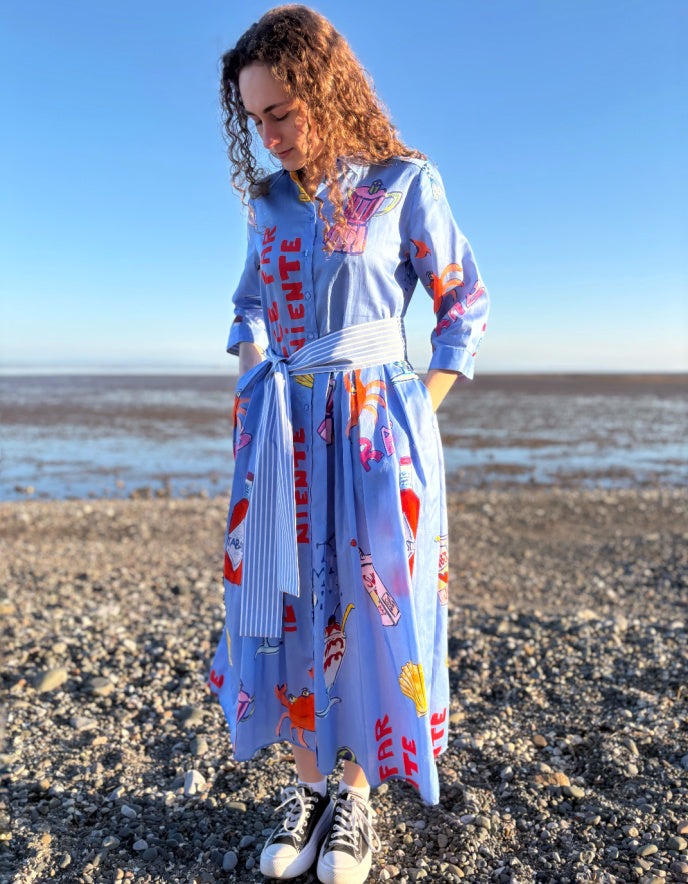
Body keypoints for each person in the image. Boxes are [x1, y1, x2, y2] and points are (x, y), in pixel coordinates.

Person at [208, 6, 489, 883]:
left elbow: (464, 307)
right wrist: (261, 376)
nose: (273, 134)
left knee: (374, 609)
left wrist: (419, 409)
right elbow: (247, 306)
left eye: (283, 110)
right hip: (284, 434)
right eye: (257, 120)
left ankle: (357, 800)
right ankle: (305, 787)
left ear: (326, 89)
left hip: (380, 435)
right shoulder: (267, 203)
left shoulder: (405, 182)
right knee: (288, 604)